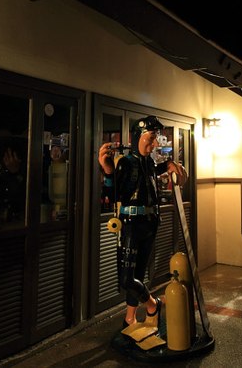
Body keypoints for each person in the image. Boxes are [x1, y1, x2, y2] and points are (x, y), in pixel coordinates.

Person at [97, 115, 187, 329]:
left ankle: (130, 318)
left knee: (138, 273)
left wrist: (169, 164)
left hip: (150, 222)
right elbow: (112, 195)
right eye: (151, 138)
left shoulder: (148, 162)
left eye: (155, 139)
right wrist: (108, 170)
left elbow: (155, 171)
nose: (154, 144)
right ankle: (153, 304)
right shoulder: (126, 162)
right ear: (139, 135)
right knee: (127, 279)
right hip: (131, 224)